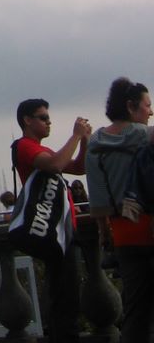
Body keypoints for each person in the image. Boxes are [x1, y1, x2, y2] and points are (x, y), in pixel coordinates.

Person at [13, 99, 92, 343]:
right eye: (43, 117)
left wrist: (85, 140)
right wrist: (76, 136)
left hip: (61, 231)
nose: (49, 122)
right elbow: (57, 164)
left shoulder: (40, 149)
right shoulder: (24, 146)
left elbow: (79, 168)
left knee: (67, 293)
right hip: (51, 232)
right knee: (63, 295)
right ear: (28, 120)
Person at [86, 78, 154, 343]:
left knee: (135, 311)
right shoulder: (144, 136)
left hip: (125, 234)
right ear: (130, 106)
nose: (150, 111)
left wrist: (104, 231)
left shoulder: (95, 143)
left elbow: (98, 199)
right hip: (150, 224)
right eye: (147, 105)